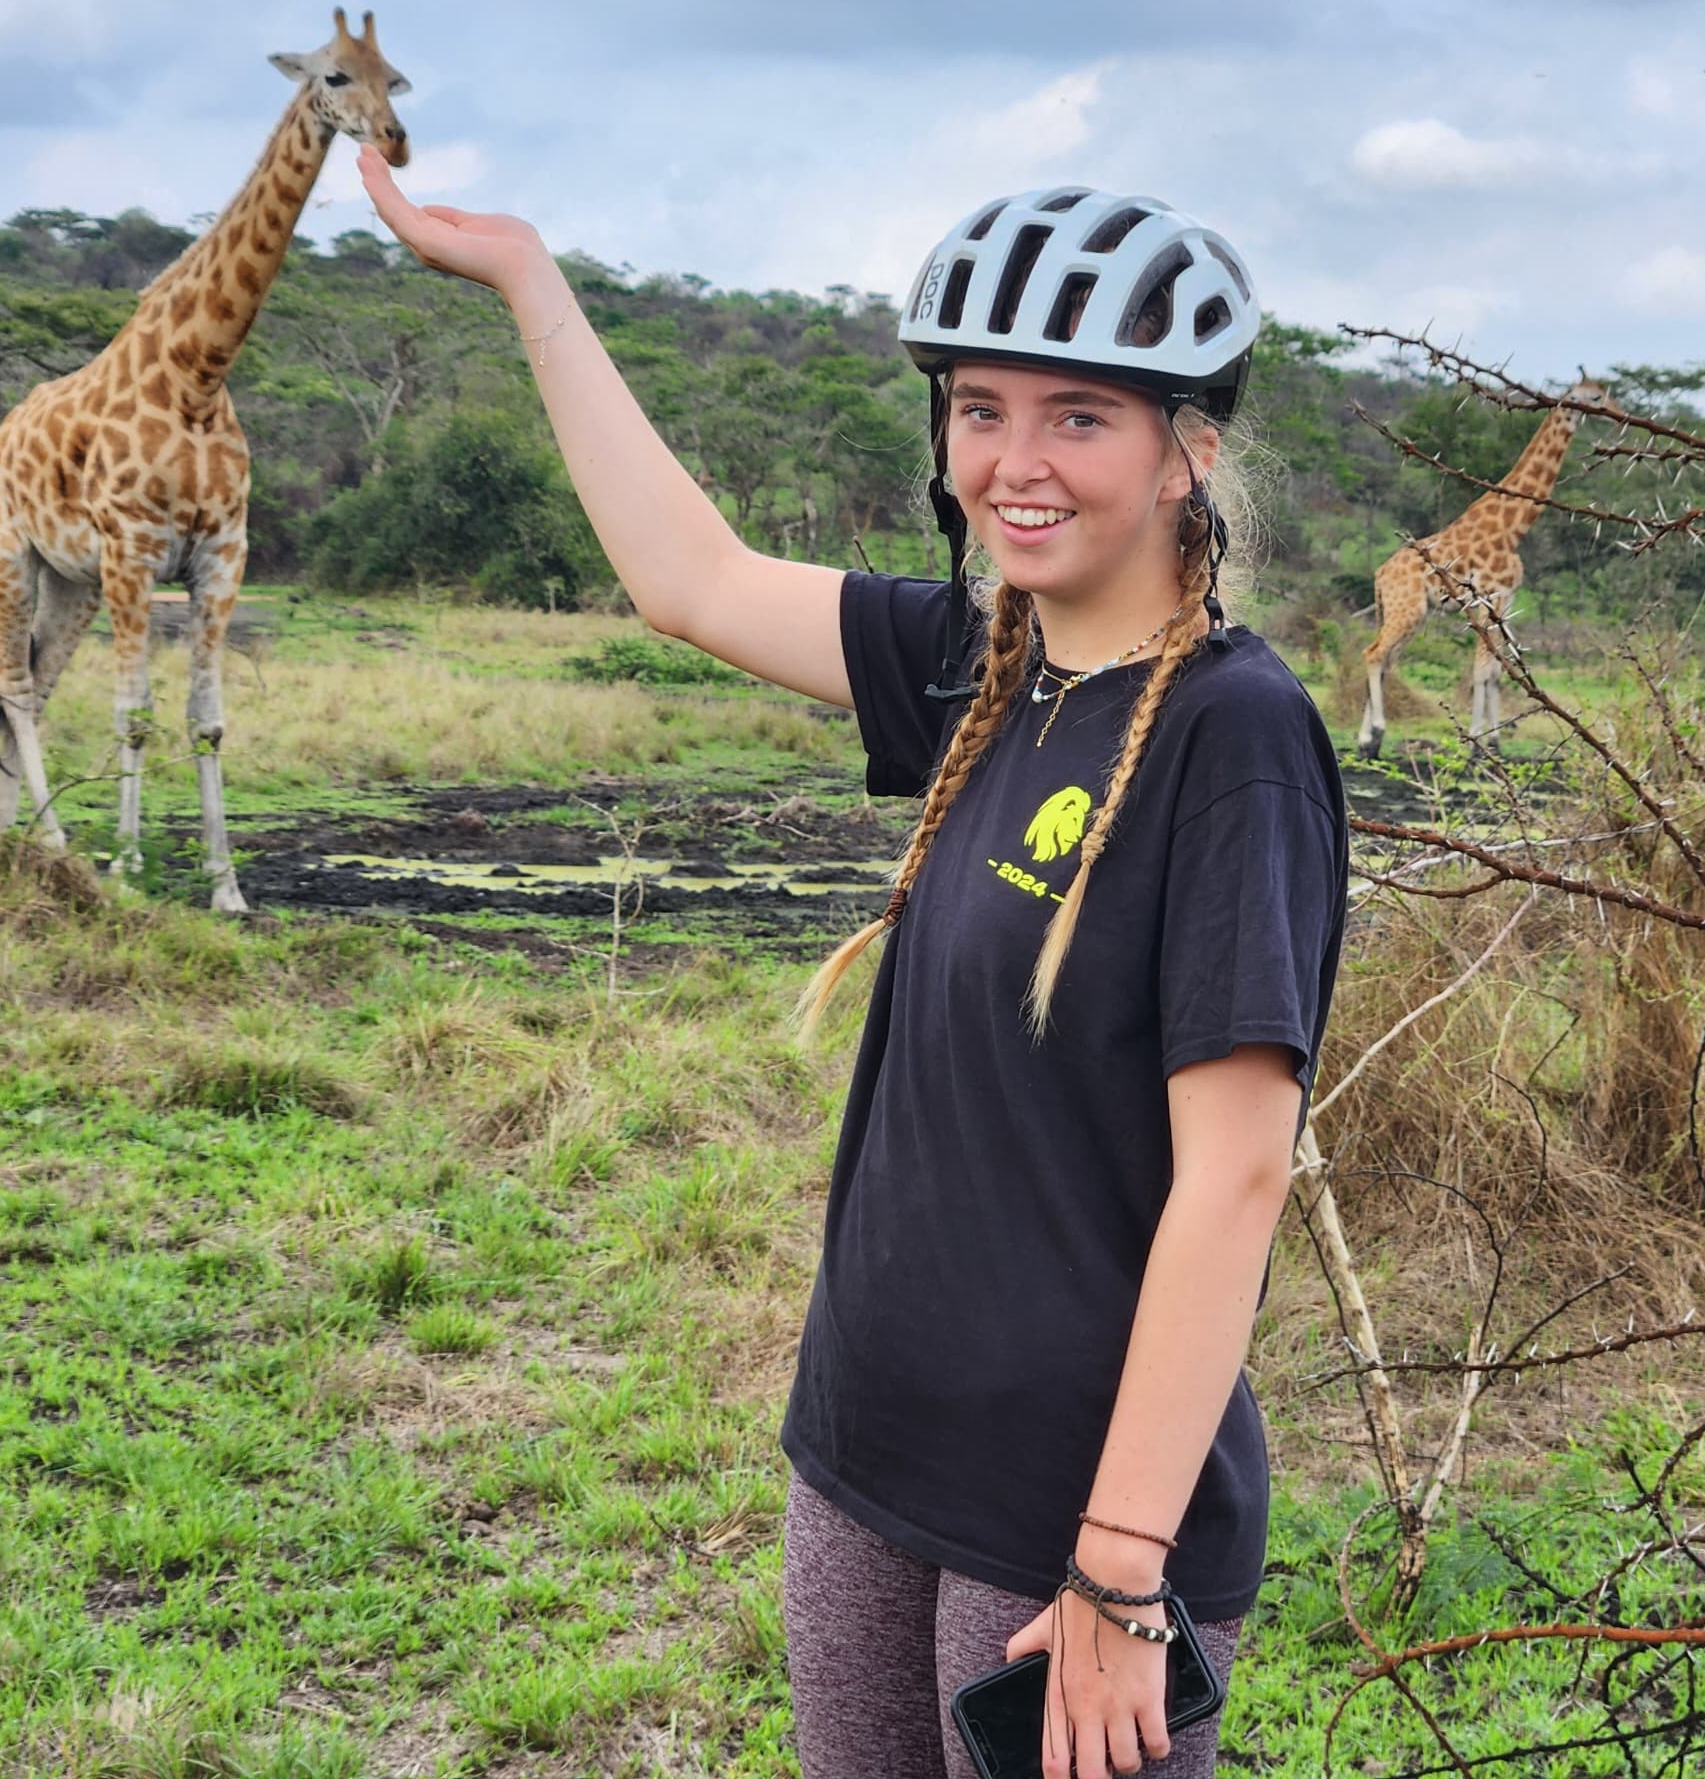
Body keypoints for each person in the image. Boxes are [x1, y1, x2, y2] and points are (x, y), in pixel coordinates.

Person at [358, 156, 1348, 1779]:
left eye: (1077, 417)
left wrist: (1117, 1565)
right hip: (869, 1447)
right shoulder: (987, 659)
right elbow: (691, 580)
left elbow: (1234, 1184)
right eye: (977, 408)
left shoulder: (1235, 736)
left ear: (1190, 451)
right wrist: (534, 285)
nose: (1011, 465)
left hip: (1070, 1508)